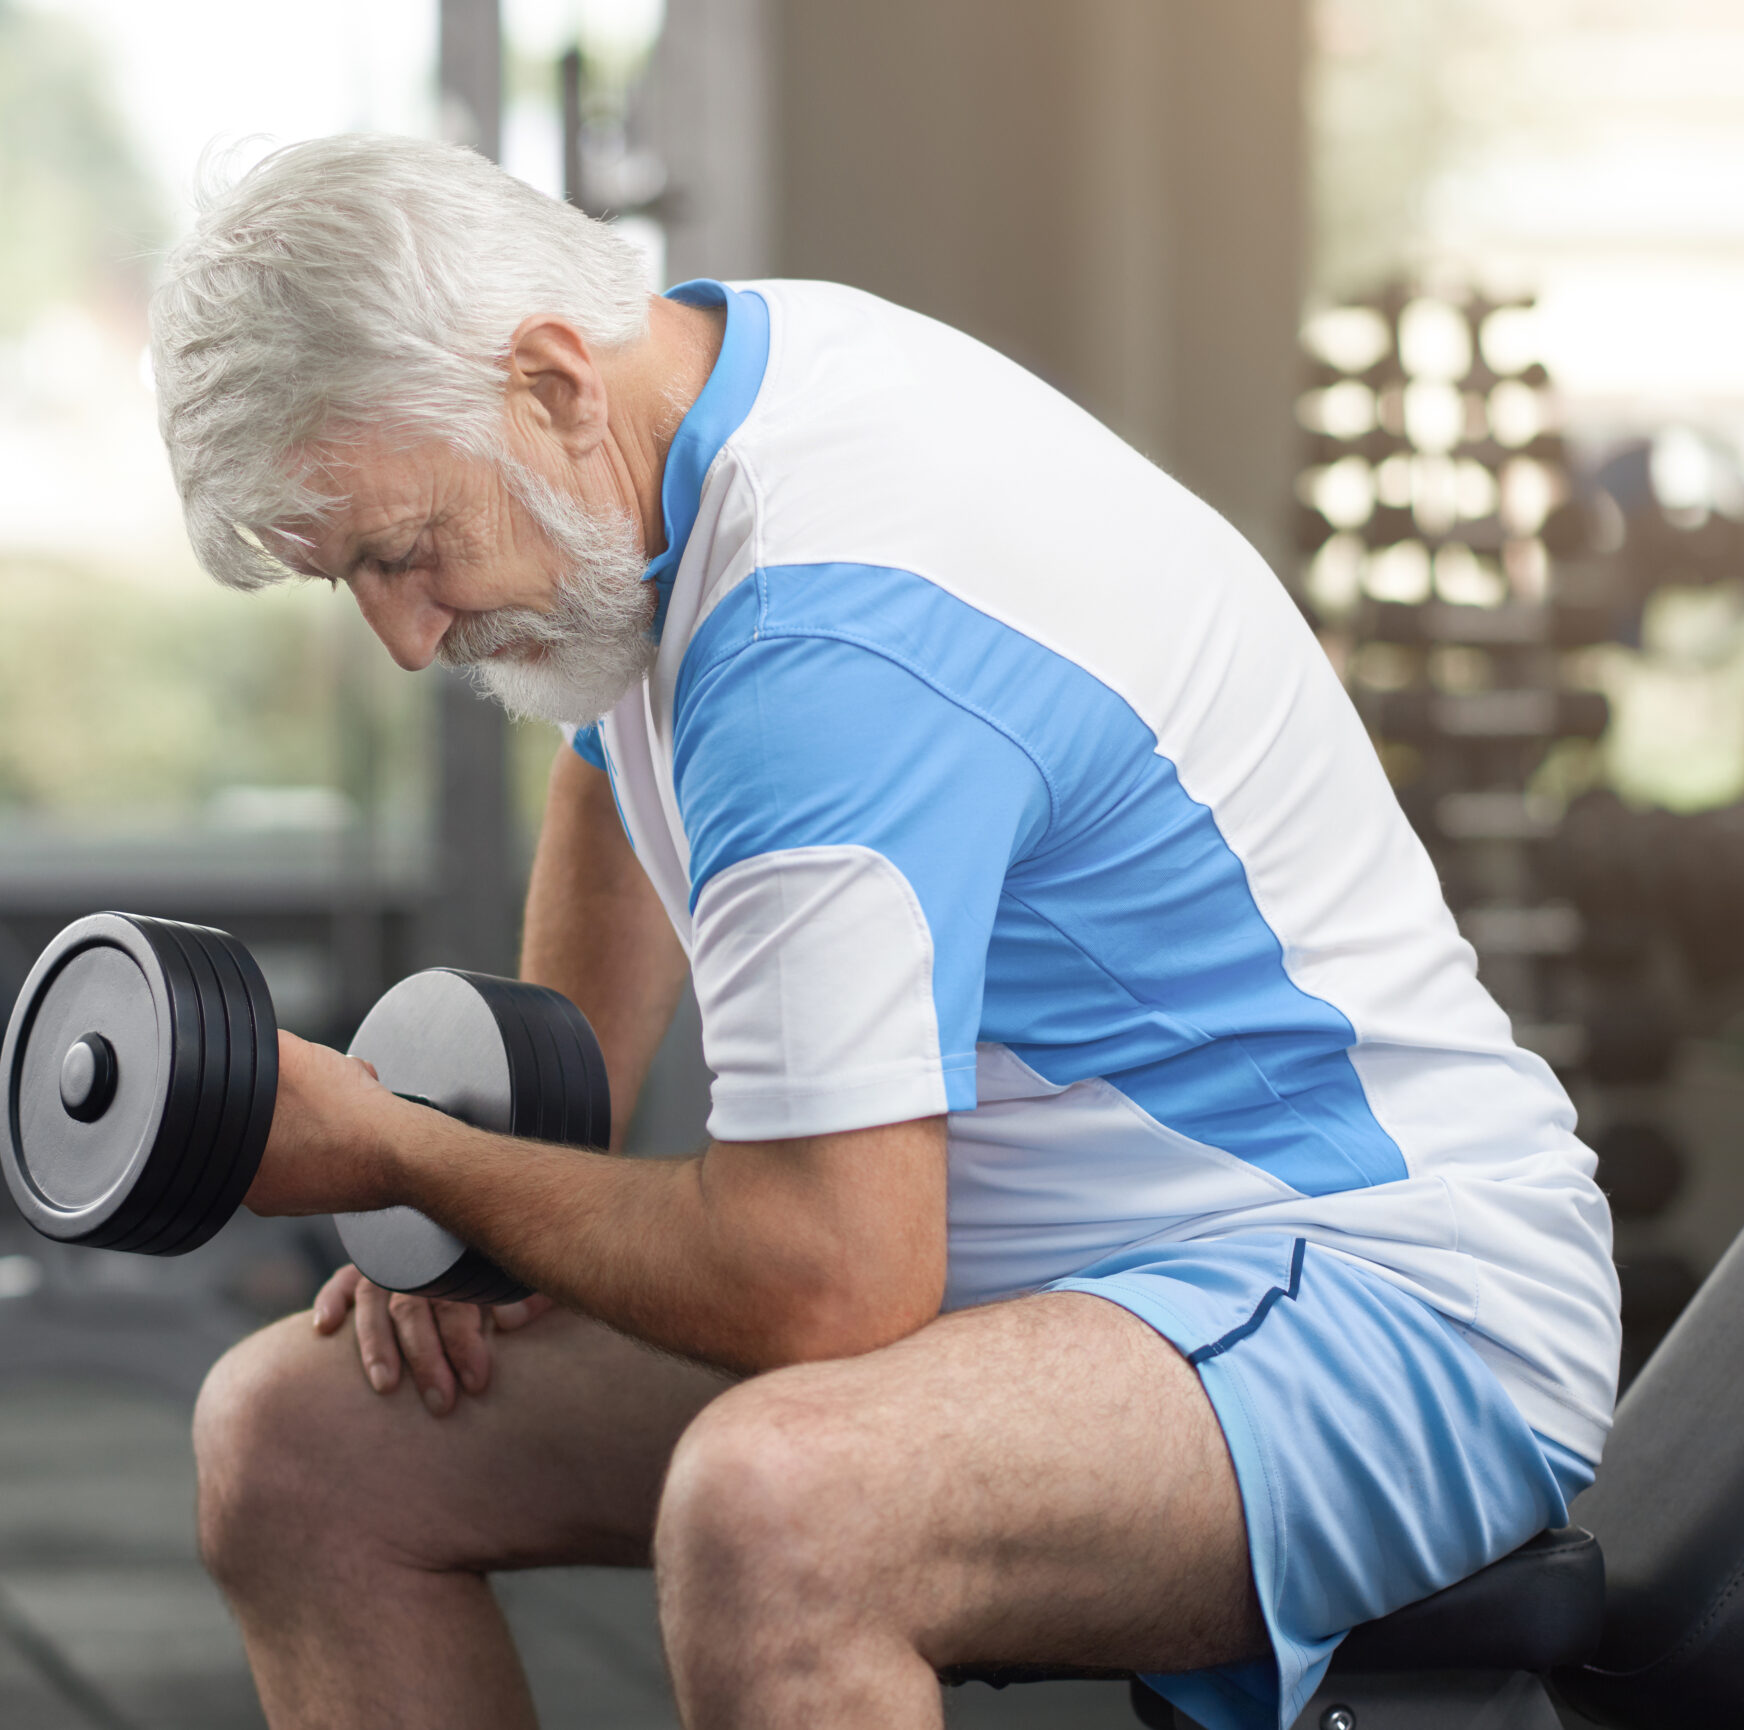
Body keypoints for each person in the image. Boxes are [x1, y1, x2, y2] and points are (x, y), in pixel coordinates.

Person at [145, 133, 1618, 1730]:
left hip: (1383, 1292)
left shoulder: (820, 629)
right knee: (295, 1442)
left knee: (781, 1511)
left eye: (401, 552)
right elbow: (606, 759)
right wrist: (510, 1185)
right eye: (348, 579)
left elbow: (828, 1278)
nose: (406, 635)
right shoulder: (679, 401)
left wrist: (401, 1155)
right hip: (1031, 1286)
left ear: (552, 383)